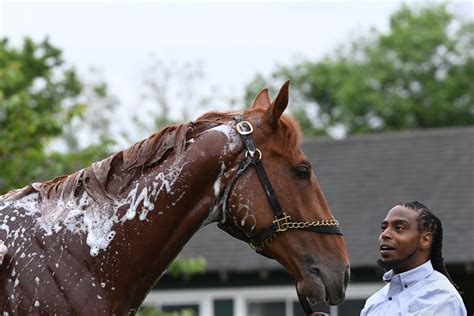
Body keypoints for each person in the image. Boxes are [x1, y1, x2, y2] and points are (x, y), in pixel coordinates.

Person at [360, 201, 467, 316]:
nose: (385, 234)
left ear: (425, 240)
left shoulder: (441, 298)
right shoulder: (373, 303)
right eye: (384, 228)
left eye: (399, 228)